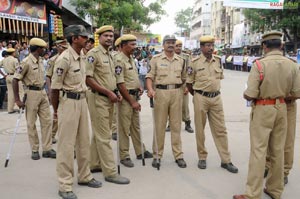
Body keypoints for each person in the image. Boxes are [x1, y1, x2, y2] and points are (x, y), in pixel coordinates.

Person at [233, 31, 300, 199]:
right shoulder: (292, 64)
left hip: (263, 109)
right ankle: (275, 190)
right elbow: (296, 93)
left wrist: (248, 93)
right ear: (282, 46)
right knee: (278, 150)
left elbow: (250, 94)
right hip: (283, 108)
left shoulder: (259, 65)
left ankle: (252, 194)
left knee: (259, 151)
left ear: (264, 46)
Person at [51, 25, 102, 199]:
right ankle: (65, 184)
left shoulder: (82, 56)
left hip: (82, 101)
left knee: (83, 141)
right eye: (84, 37)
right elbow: (55, 88)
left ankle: (84, 176)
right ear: (74, 38)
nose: (87, 40)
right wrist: (56, 111)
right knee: (66, 145)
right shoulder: (64, 59)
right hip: (68, 102)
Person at [186, 35, 238, 173]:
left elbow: (219, 78)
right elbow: (189, 83)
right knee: (200, 129)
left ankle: (226, 160)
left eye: (212, 45)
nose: (210, 48)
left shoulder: (218, 61)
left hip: (216, 98)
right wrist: (197, 95)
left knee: (221, 129)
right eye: (207, 45)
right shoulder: (194, 62)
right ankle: (202, 157)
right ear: (202, 47)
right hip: (200, 98)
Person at [85, 25, 130, 184]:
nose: (110, 38)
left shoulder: (111, 56)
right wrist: (108, 92)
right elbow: (88, 79)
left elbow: (111, 79)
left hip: (109, 98)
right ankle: (111, 172)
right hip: (99, 98)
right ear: (99, 37)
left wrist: (115, 91)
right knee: (105, 136)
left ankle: (94, 163)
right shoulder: (93, 54)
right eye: (106, 36)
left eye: (111, 36)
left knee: (98, 133)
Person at [146, 34, 187, 168]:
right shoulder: (156, 59)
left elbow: (184, 77)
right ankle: (157, 155)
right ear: (163, 45)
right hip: (161, 93)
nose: (171, 45)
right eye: (168, 42)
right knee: (160, 125)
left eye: (173, 42)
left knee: (176, 125)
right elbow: (149, 77)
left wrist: (185, 89)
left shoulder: (181, 60)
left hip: (177, 93)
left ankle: (178, 155)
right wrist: (150, 90)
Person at [12, 38, 56, 160]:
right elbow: (15, 79)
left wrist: (48, 93)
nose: (45, 51)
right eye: (43, 49)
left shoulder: (41, 61)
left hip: (42, 92)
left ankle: (47, 148)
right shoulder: (26, 62)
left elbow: (46, 77)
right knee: (31, 123)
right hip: (31, 93)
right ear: (38, 49)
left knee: (47, 122)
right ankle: (35, 149)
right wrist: (17, 99)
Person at [114, 34, 153, 168]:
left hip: (134, 96)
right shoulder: (119, 59)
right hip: (126, 99)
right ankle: (124, 155)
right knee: (124, 128)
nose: (135, 47)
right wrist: (132, 101)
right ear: (124, 45)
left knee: (135, 127)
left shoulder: (130, 58)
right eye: (132, 44)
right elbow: (120, 84)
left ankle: (140, 150)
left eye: (135, 44)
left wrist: (139, 87)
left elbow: (131, 77)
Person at [166, 39, 194, 133]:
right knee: (171, 105)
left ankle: (187, 123)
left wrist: (187, 86)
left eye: (180, 46)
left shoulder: (186, 57)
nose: (178, 48)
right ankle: (170, 124)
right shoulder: (168, 56)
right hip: (172, 85)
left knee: (184, 105)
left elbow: (189, 72)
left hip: (183, 85)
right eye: (177, 46)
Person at [46, 39, 68, 144]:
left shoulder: (69, 58)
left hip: (66, 91)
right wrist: (50, 91)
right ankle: (52, 135)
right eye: (62, 47)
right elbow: (48, 76)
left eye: (65, 47)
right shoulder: (53, 60)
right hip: (56, 91)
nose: (63, 49)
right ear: (57, 47)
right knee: (56, 114)